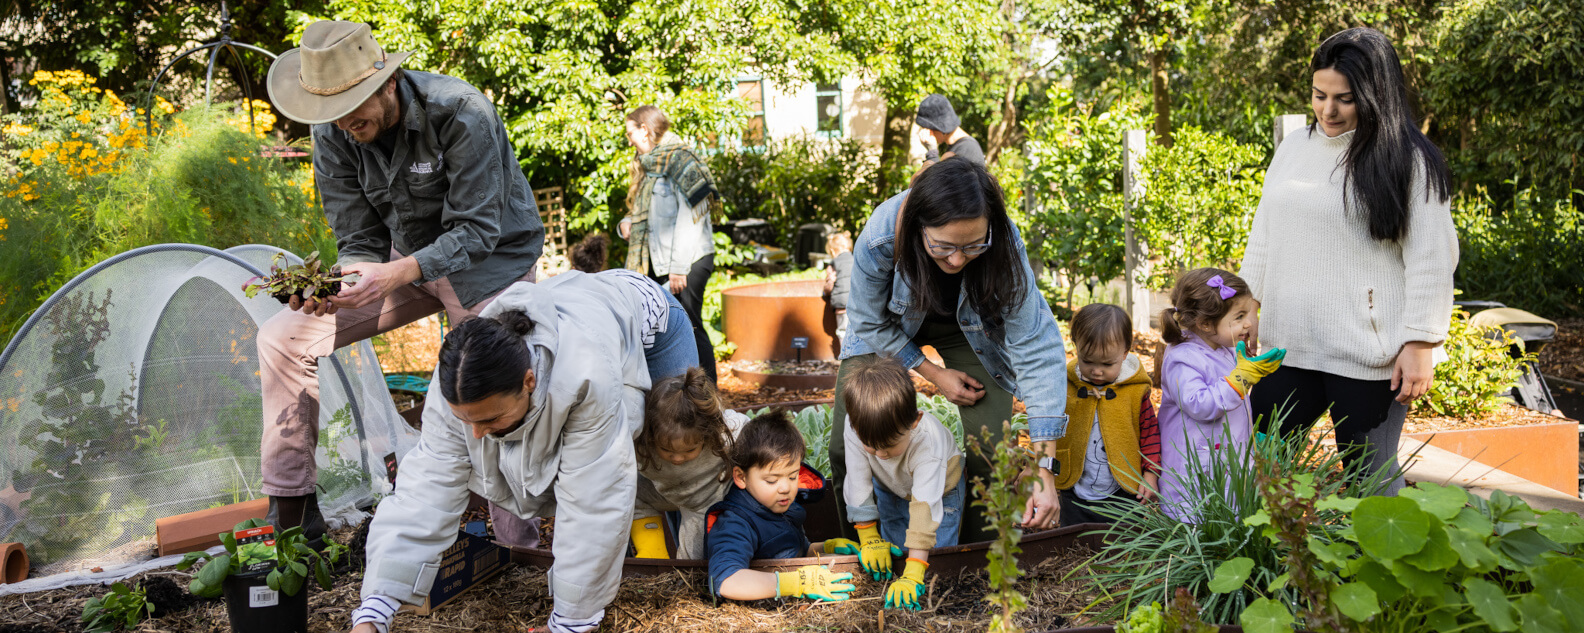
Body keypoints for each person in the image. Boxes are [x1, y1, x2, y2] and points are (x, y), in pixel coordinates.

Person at [259, 20, 545, 535]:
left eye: (351, 107)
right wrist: (348, 280)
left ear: (387, 83)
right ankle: (293, 513)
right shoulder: (333, 131)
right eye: (330, 112)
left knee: (482, 372)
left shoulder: (461, 112)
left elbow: (478, 232)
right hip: (403, 259)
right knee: (282, 337)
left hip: (490, 258)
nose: (343, 122)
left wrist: (396, 273)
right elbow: (359, 236)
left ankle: (515, 541)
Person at [349, 269, 697, 633]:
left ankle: (685, 563)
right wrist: (375, 609)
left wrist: (570, 621)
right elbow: (425, 490)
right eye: (466, 421)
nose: (476, 435)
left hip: (648, 321)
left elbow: (594, 495)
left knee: (670, 457)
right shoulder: (457, 381)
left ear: (529, 382)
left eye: (491, 419)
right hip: (586, 308)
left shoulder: (585, 375)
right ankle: (614, 569)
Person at [1240, 27, 1456, 496]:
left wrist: (1420, 342)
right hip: (1288, 346)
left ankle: (1379, 568)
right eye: (1319, 95)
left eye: (1345, 99)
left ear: (1377, 95)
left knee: (1369, 482)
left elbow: (1432, 259)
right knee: (1255, 464)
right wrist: (1246, 305)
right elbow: (1264, 234)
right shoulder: (1295, 147)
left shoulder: (1410, 161)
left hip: (1368, 355)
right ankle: (1267, 565)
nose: (1328, 110)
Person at [830, 158, 1069, 542]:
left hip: (970, 329)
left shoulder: (1005, 241)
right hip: (886, 327)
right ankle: (862, 551)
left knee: (991, 447)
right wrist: (933, 372)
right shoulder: (881, 236)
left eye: (974, 246)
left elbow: (1036, 346)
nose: (957, 260)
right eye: (942, 247)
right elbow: (867, 320)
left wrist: (1043, 466)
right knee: (847, 443)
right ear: (918, 226)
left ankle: (971, 559)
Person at [1156, 269, 1285, 523]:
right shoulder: (1182, 359)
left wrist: (1250, 440)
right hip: (1197, 464)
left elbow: (1234, 404)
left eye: (1248, 315)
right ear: (1205, 324)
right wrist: (1240, 379)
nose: (1248, 323)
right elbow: (1200, 404)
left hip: (1225, 456)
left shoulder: (1223, 349)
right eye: (1238, 317)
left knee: (1227, 515)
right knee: (1198, 519)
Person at [840, 355, 964, 611]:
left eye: (889, 446)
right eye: (871, 447)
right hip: (891, 486)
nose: (881, 455)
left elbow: (924, 509)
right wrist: (869, 537)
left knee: (936, 560)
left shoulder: (927, 442)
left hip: (941, 492)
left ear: (914, 422)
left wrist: (915, 573)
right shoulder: (855, 427)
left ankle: (932, 604)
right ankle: (897, 593)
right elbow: (858, 480)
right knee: (895, 551)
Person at [705, 411, 855, 603]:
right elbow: (727, 581)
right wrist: (795, 583)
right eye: (771, 480)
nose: (786, 488)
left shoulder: (782, 506)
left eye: (793, 476)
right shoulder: (735, 523)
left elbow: (793, 550)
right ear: (741, 477)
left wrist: (826, 547)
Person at [619, 105, 719, 383]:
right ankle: (677, 397)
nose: (629, 140)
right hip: (657, 262)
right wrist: (627, 221)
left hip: (688, 261)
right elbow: (648, 211)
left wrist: (678, 268)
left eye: (631, 133)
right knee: (662, 329)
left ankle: (708, 396)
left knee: (691, 327)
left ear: (645, 129)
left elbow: (693, 217)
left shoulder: (681, 160)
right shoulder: (650, 164)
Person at [1053, 304, 1161, 526]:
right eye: (1088, 361)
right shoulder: (1067, 385)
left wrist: (1151, 473)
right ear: (1076, 347)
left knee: (1122, 540)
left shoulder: (1135, 390)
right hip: (1075, 490)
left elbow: (1149, 434)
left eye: (1107, 364)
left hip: (1124, 490)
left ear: (1124, 353)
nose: (1097, 371)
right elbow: (1050, 426)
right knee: (1074, 543)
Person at [631, 366, 748, 559]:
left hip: (704, 504)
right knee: (629, 492)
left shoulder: (724, 434)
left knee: (689, 568)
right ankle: (653, 554)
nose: (677, 458)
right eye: (667, 450)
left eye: (690, 450)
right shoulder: (641, 441)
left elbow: (752, 433)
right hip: (667, 492)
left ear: (706, 435)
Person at [915, 94, 985, 168]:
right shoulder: (957, 147)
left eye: (928, 128)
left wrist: (932, 153)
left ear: (940, 128)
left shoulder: (968, 149)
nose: (927, 133)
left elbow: (937, 179)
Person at [822, 232, 854, 343]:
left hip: (842, 304)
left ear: (832, 251)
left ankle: (845, 357)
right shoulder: (857, 260)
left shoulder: (834, 264)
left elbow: (830, 283)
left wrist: (825, 292)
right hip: (857, 302)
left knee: (843, 331)